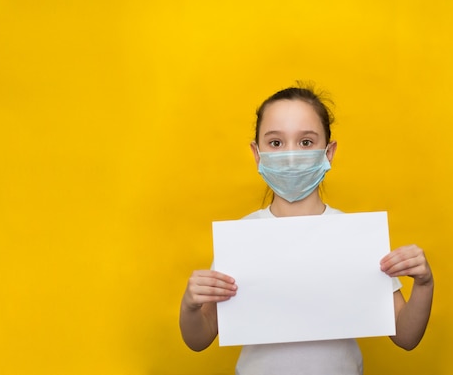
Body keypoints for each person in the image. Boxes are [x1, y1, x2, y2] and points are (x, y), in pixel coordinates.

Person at [180, 86, 434, 374]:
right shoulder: (241, 239)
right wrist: (190, 304)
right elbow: (200, 338)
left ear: (329, 152)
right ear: (257, 153)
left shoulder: (354, 237)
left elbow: (406, 336)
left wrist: (424, 284)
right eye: (276, 143)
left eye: (305, 142)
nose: (290, 156)